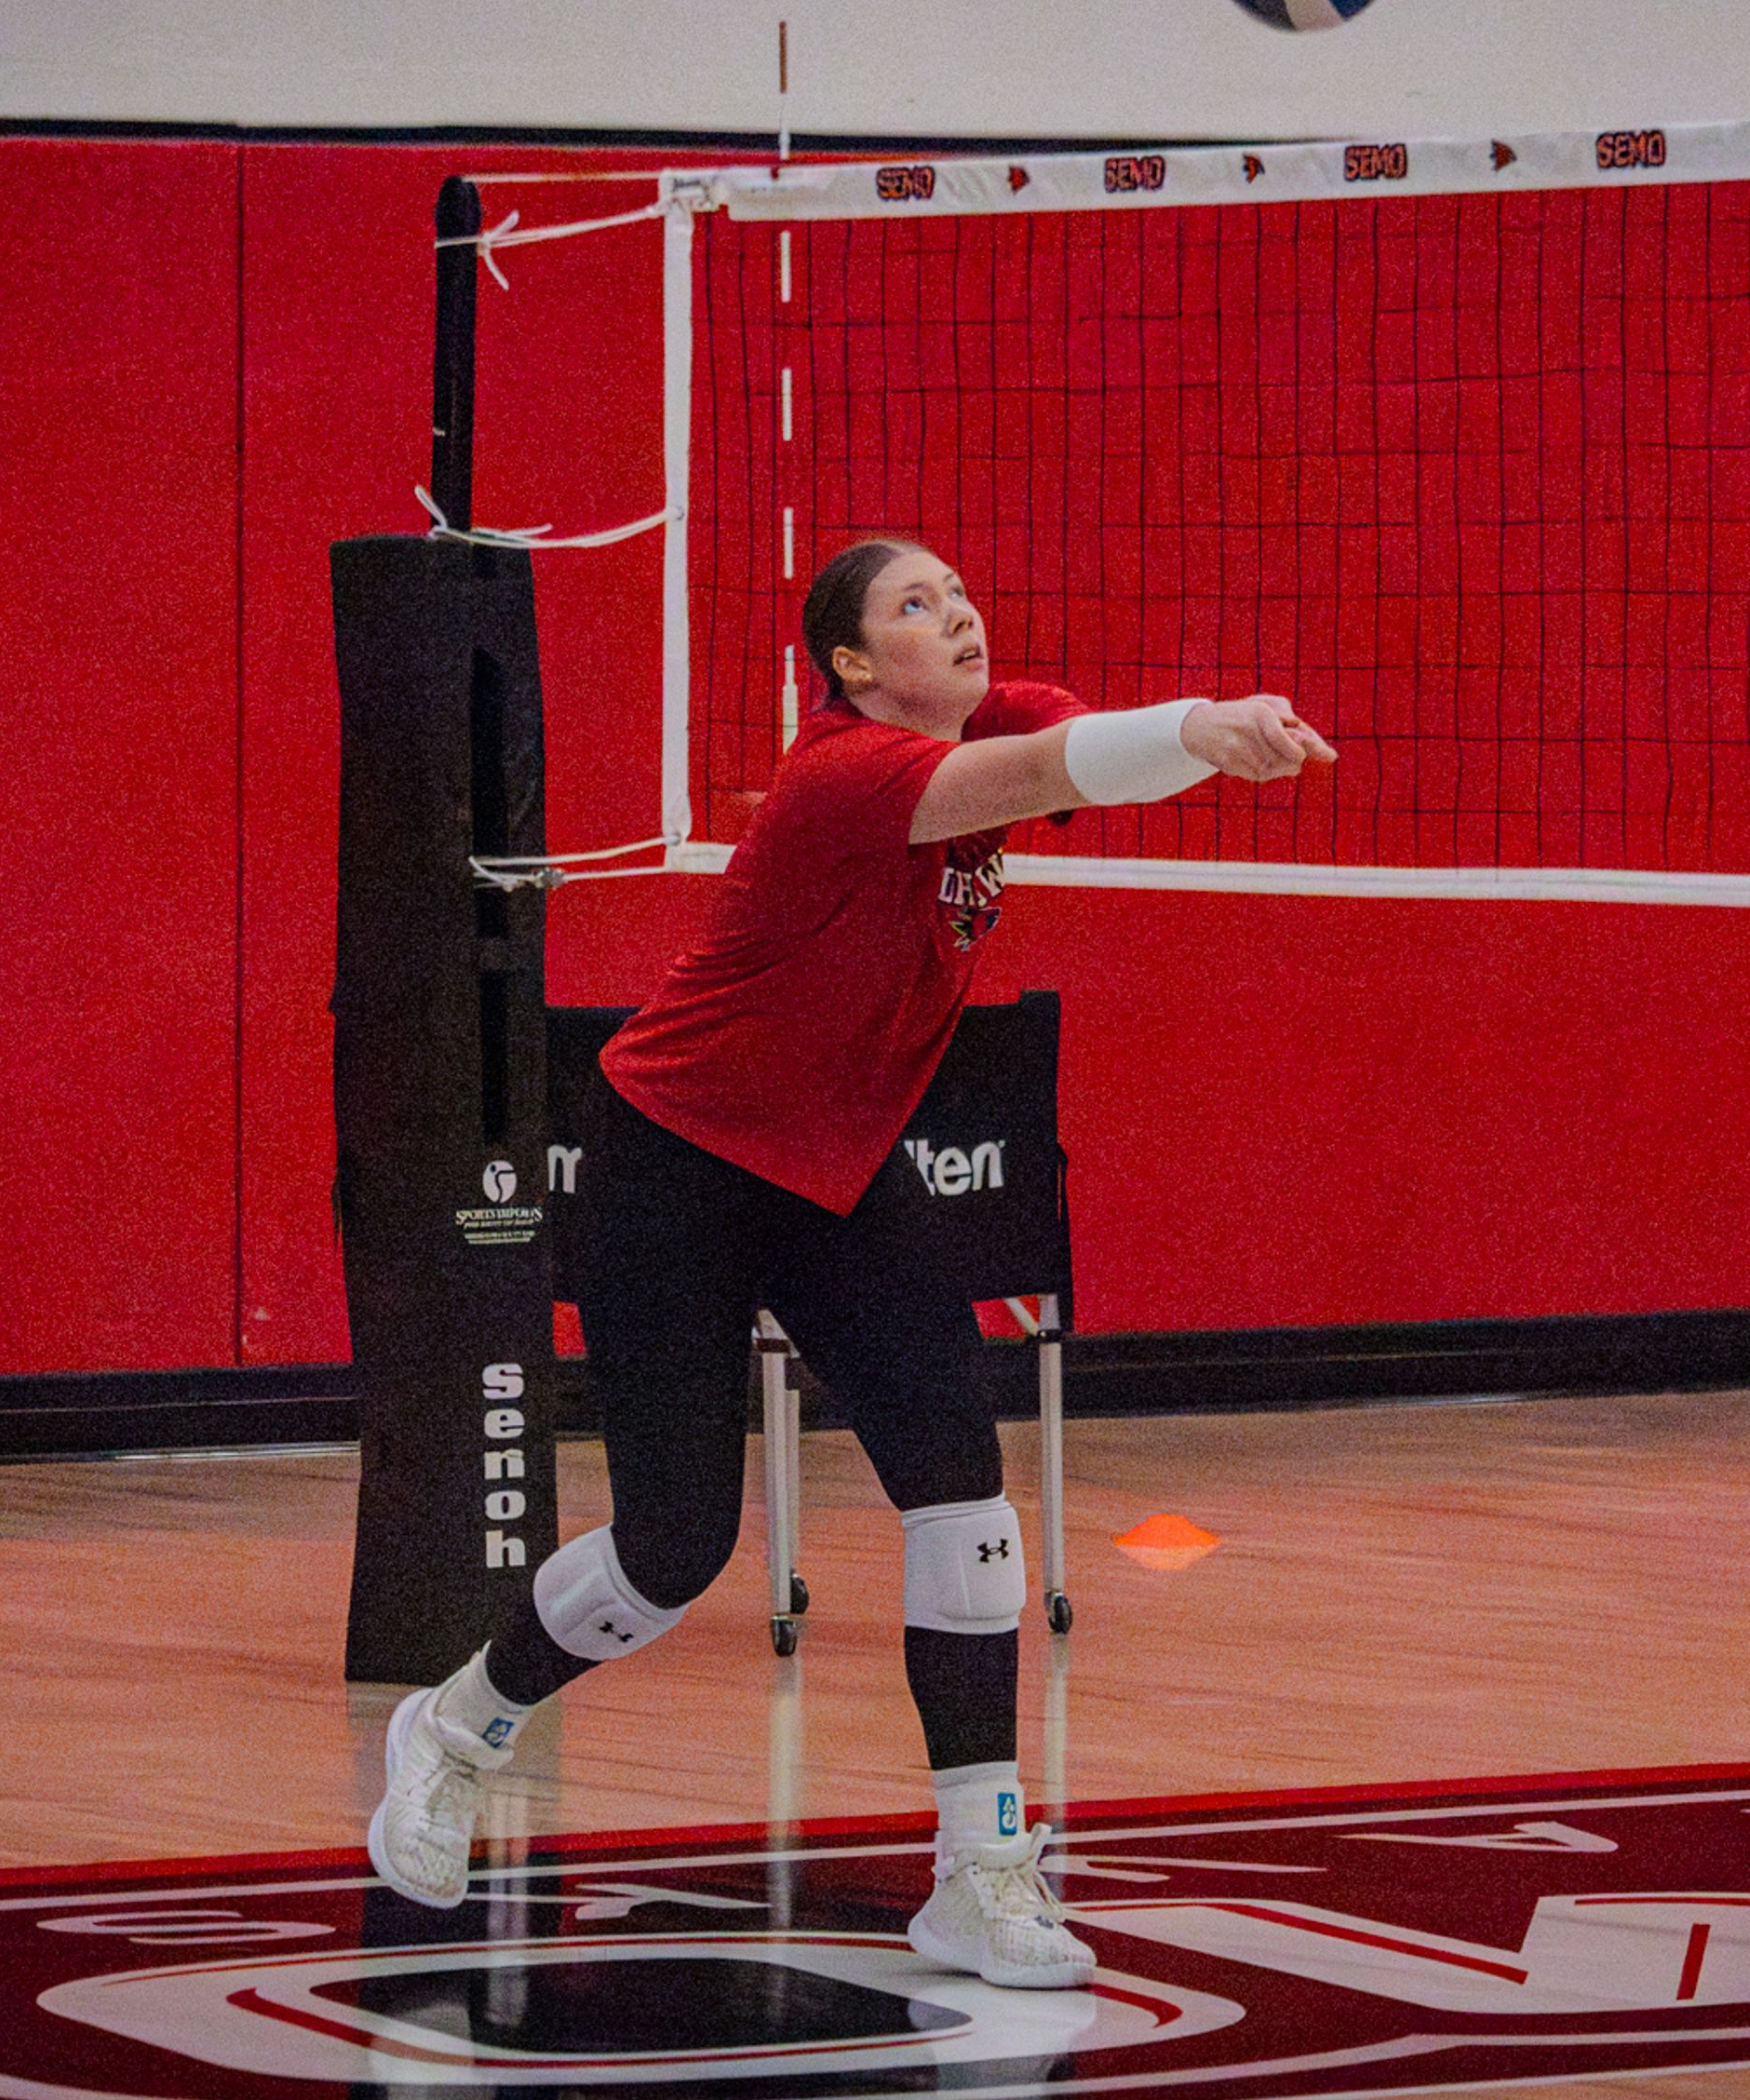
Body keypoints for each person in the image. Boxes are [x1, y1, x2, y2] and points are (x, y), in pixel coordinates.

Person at [365, 535, 1333, 1988]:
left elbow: (1068, 754)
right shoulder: (843, 775)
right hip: (675, 1163)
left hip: (840, 1174)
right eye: (916, 606)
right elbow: (1043, 779)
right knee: (671, 1552)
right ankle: (453, 1733)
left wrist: (1191, 742)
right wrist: (1203, 727)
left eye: (961, 594)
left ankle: (982, 1870)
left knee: (966, 1502)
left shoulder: (998, 722)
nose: (959, 614)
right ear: (852, 666)